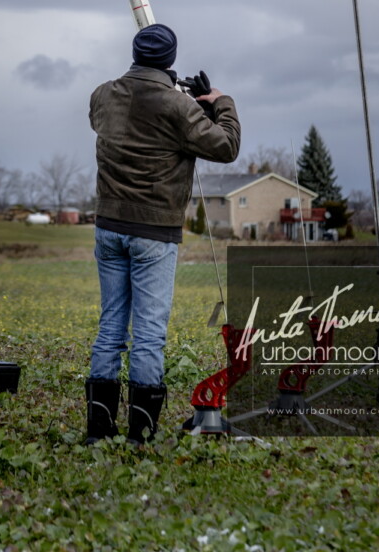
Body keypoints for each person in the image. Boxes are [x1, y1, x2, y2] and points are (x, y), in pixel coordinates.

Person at [86, 23, 240, 444]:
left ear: (135, 52)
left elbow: (116, 122)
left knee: (111, 327)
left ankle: (98, 431)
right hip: (154, 232)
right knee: (149, 333)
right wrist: (219, 103)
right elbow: (225, 147)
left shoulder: (102, 94)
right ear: (170, 61)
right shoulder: (178, 107)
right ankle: (141, 434)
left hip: (109, 226)